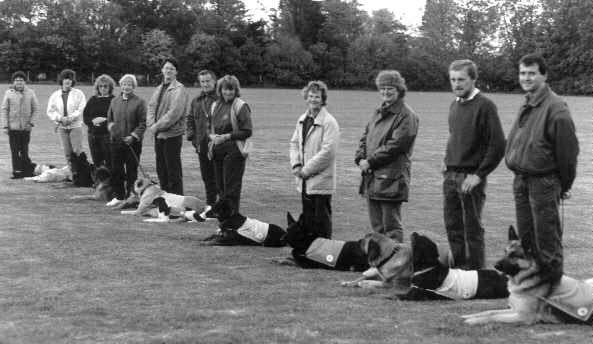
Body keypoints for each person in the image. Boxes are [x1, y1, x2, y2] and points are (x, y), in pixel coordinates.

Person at [505, 53, 579, 286]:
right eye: (522, 73)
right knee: (526, 240)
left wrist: (563, 185)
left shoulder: (556, 107)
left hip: (543, 182)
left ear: (544, 75)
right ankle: (532, 290)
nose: (526, 78)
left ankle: (554, 292)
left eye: (531, 73)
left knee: (547, 240)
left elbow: (568, 153)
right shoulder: (528, 101)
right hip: (522, 179)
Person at [443, 59, 505, 270]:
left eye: (461, 79)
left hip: (471, 177)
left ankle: (477, 274)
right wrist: (447, 164)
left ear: (473, 79)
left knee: (472, 228)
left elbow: (497, 145)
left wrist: (478, 175)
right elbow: (455, 138)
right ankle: (459, 272)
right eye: (453, 79)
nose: (456, 84)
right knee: (453, 226)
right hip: (451, 175)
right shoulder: (455, 105)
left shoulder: (485, 106)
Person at [354, 70, 419, 243]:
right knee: (377, 226)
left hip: (392, 178)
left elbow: (396, 146)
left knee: (391, 226)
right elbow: (365, 136)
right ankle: (380, 263)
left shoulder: (407, 115)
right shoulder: (378, 112)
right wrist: (360, 157)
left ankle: (396, 264)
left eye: (390, 88)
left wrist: (370, 161)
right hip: (372, 176)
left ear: (399, 89)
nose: (385, 92)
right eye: (382, 88)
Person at [289, 81, 339, 239]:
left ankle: (325, 255)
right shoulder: (302, 119)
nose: (313, 99)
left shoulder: (329, 122)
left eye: (317, 96)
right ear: (306, 97)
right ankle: (309, 252)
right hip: (304, 180)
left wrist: (306, 170)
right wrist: (296, 165)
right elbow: (294, 143)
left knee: (321, 221)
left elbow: (328, 152)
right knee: (308, 219)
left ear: (323, 98)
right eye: (310, 96)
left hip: (320, 180)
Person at [209, 75, 252, 212]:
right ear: (220, 90)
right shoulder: (215, 105)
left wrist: (227, 136)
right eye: (225, 89)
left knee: (231, 189)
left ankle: (233, 220)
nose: (228, 92)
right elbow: (209, 127)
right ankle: (224, 221)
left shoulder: (240, 106)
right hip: (218, 151)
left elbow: (247, 131)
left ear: (236, 90)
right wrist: (212, 136)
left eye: (231, 89)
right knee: (220, 188)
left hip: (234, 151)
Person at [146, 58, 188, 195]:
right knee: (161, 169)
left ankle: (176, 200)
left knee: (173, 171)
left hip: (172, 135)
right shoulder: (159, 88)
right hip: (159, 135)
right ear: (162, 70)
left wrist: (156, 127)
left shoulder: (179, 89)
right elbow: (151, 107)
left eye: (171, 68)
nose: (168, 70)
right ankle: (165, 199)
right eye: (166, 68)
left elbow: (174, 113)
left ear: (176, 72)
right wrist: (151, 125)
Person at [106, 74, 147, 207]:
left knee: (131, 170)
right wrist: (113, 130)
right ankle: (118, 196)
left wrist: (133, 136)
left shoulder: (140, 102)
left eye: (129, 84)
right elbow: (110, 120)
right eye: (124, 84)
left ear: (133, 86)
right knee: (116, 170)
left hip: (132, 143)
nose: (126, 87)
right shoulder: (114, 101)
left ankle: (131, 196)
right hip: (116, 142)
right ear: (121, 85)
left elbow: (143, 123)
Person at [186, 70, 218, 218]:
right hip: (201, 145)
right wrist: (192, 138)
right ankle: (211, 205)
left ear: (214, 81)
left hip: (218, 146)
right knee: (207, 177)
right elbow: (190, 119)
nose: (205, 84)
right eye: (202, 81)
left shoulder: (221, 99)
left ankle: (221, 205)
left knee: (219, 177)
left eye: (208, 81)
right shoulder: (196, 101)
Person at [1, 71, 40, 179]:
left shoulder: (31, 93)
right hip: (12, 128)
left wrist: (31, 123)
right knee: (14, 150)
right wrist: (5, 126)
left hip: (26, 128)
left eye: (21, 80)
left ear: (25, 82)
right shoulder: (8, 93)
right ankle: (17, 171)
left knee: (24, 150)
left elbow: (36, 109)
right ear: (13, 82)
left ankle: (26, 171)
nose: (19, 82)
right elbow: (4, 110)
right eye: (17, 80)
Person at [46, 69, 87, 165]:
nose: (67, 81)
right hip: (62, 128)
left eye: (70, 79)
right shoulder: (55, 95)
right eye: (65, 78)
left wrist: (70, 118)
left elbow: (81, 108)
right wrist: (60, 118)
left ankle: (82, 174)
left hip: (75, 127)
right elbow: (50, 111)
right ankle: (72, 174)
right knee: (67, 153)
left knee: (78, 151)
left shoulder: (79, 93)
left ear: (73, 81)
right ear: (61, 80)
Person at [83, 74, 116, 168]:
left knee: (109, 160)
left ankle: (110, 181)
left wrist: (103, 123)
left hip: (107, 135)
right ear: (97, 87)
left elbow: (115, 117)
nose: (103, 88)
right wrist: (93, 122)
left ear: (110, 87)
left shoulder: (114, 100)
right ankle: (99, 180)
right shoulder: (92, 99)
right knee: (97, 160)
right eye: (100, 86)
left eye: (105, 86)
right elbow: (86, 116)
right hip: (93, 135)